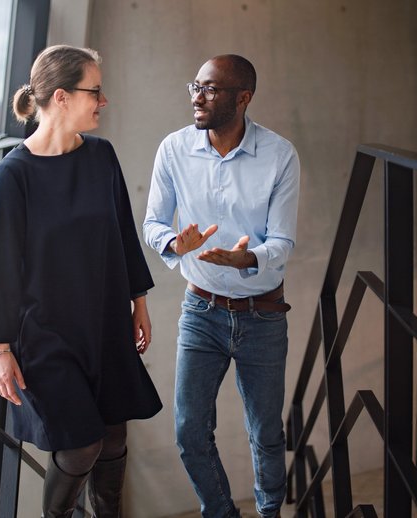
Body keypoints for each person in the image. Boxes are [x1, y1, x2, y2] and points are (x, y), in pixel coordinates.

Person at [0, 45, 162, 518]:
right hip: (45, 336)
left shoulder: (101, 156)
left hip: (104, 325)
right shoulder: (11, 175)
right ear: (61, 97)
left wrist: (138, 301)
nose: (103, 101)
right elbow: (1, 267)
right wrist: (0, 349)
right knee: (81, 445)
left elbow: (123, 231)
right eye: (95, 91)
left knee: (115, 436)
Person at [143, 55, 301, 518]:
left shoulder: (279, 154)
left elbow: (282, 241)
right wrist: (176, 241)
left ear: (243, 98)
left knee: (265, 432)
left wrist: (245, 258)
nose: (198, 96)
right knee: (190, 431)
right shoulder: (174, 149)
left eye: (211, 89)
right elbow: (152, 222)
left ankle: (270, 512)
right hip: (201, 312)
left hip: (262, 315)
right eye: (195, 85)